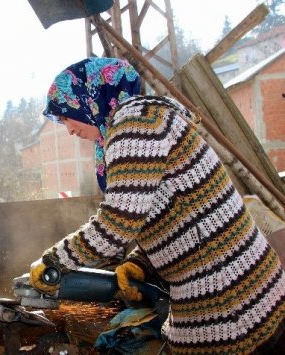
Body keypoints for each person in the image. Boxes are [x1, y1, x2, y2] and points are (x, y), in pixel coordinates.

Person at [28, 57, 285, 354]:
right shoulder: (142, 121)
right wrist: (141, 261)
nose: (68, 129)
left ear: (88, 99)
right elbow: (172, 212)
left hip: (230, 300)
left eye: (66, 116)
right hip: (241, 287)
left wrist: (54, 262)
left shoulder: (135, 124)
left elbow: (117, 223)